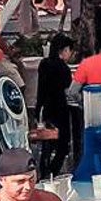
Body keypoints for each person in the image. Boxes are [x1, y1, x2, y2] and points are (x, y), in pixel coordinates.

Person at [33, 33, 80, 177]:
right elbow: (68, 90)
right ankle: (52, 171)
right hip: (60, 109)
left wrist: (37, 109)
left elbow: (41, 88)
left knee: (46, 143)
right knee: (63, 145)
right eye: (69, 51)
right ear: (64, 50)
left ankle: (44, 172)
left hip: (45, 108)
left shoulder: (44, 64)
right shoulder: (63, 68)